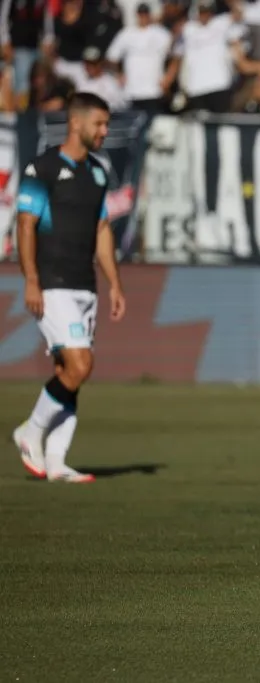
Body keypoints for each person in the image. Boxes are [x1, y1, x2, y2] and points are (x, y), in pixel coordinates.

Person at [11, 92, 126, 483]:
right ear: (76, 123)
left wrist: (114, 284)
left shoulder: (98, 173)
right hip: (52, 282)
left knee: (70, 371)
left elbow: (102, 230)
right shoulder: (42, 169)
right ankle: (31, 432)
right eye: (99, 123)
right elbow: (25, 225)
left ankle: (57, 462)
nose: (104, 131)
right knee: (80, 364)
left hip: (85, 285)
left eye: (107, 124)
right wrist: (31, 280)